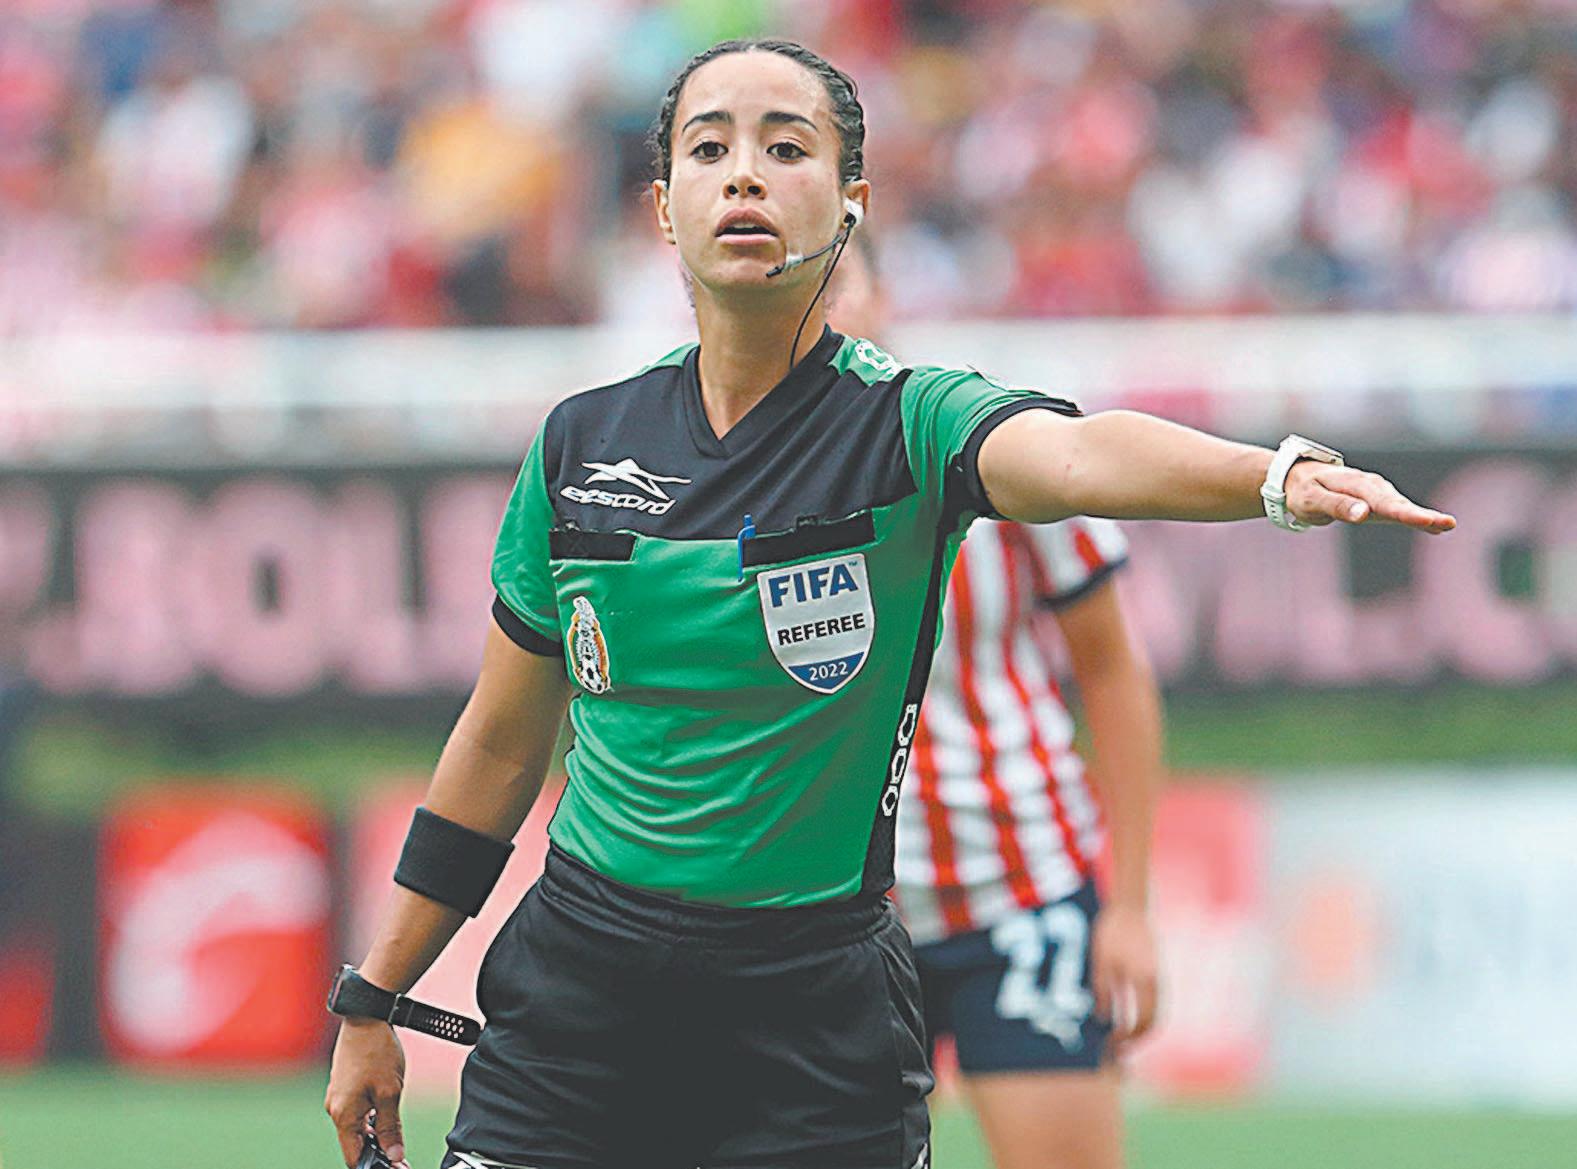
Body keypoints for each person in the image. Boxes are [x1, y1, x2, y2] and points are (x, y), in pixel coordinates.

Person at [325, 38, 1454, 1169]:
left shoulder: (910, 424)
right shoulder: (578, 442)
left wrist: (1275, 477)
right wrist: (375, 993)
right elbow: (497, 744)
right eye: (708, 149)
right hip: (578, 994)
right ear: (662, 207)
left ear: (852, 201)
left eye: (786, 147)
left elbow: (1076, 455)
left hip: (815, 1014)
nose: (744, 172)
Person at [831, 237, 1161, 1169]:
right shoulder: (730, 474)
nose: (820, 307)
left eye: (838, 280)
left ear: (883, 294)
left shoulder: (990, 441)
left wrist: (1129, 906)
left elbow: (1112, 668)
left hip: (1018, 889)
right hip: (831, 919)